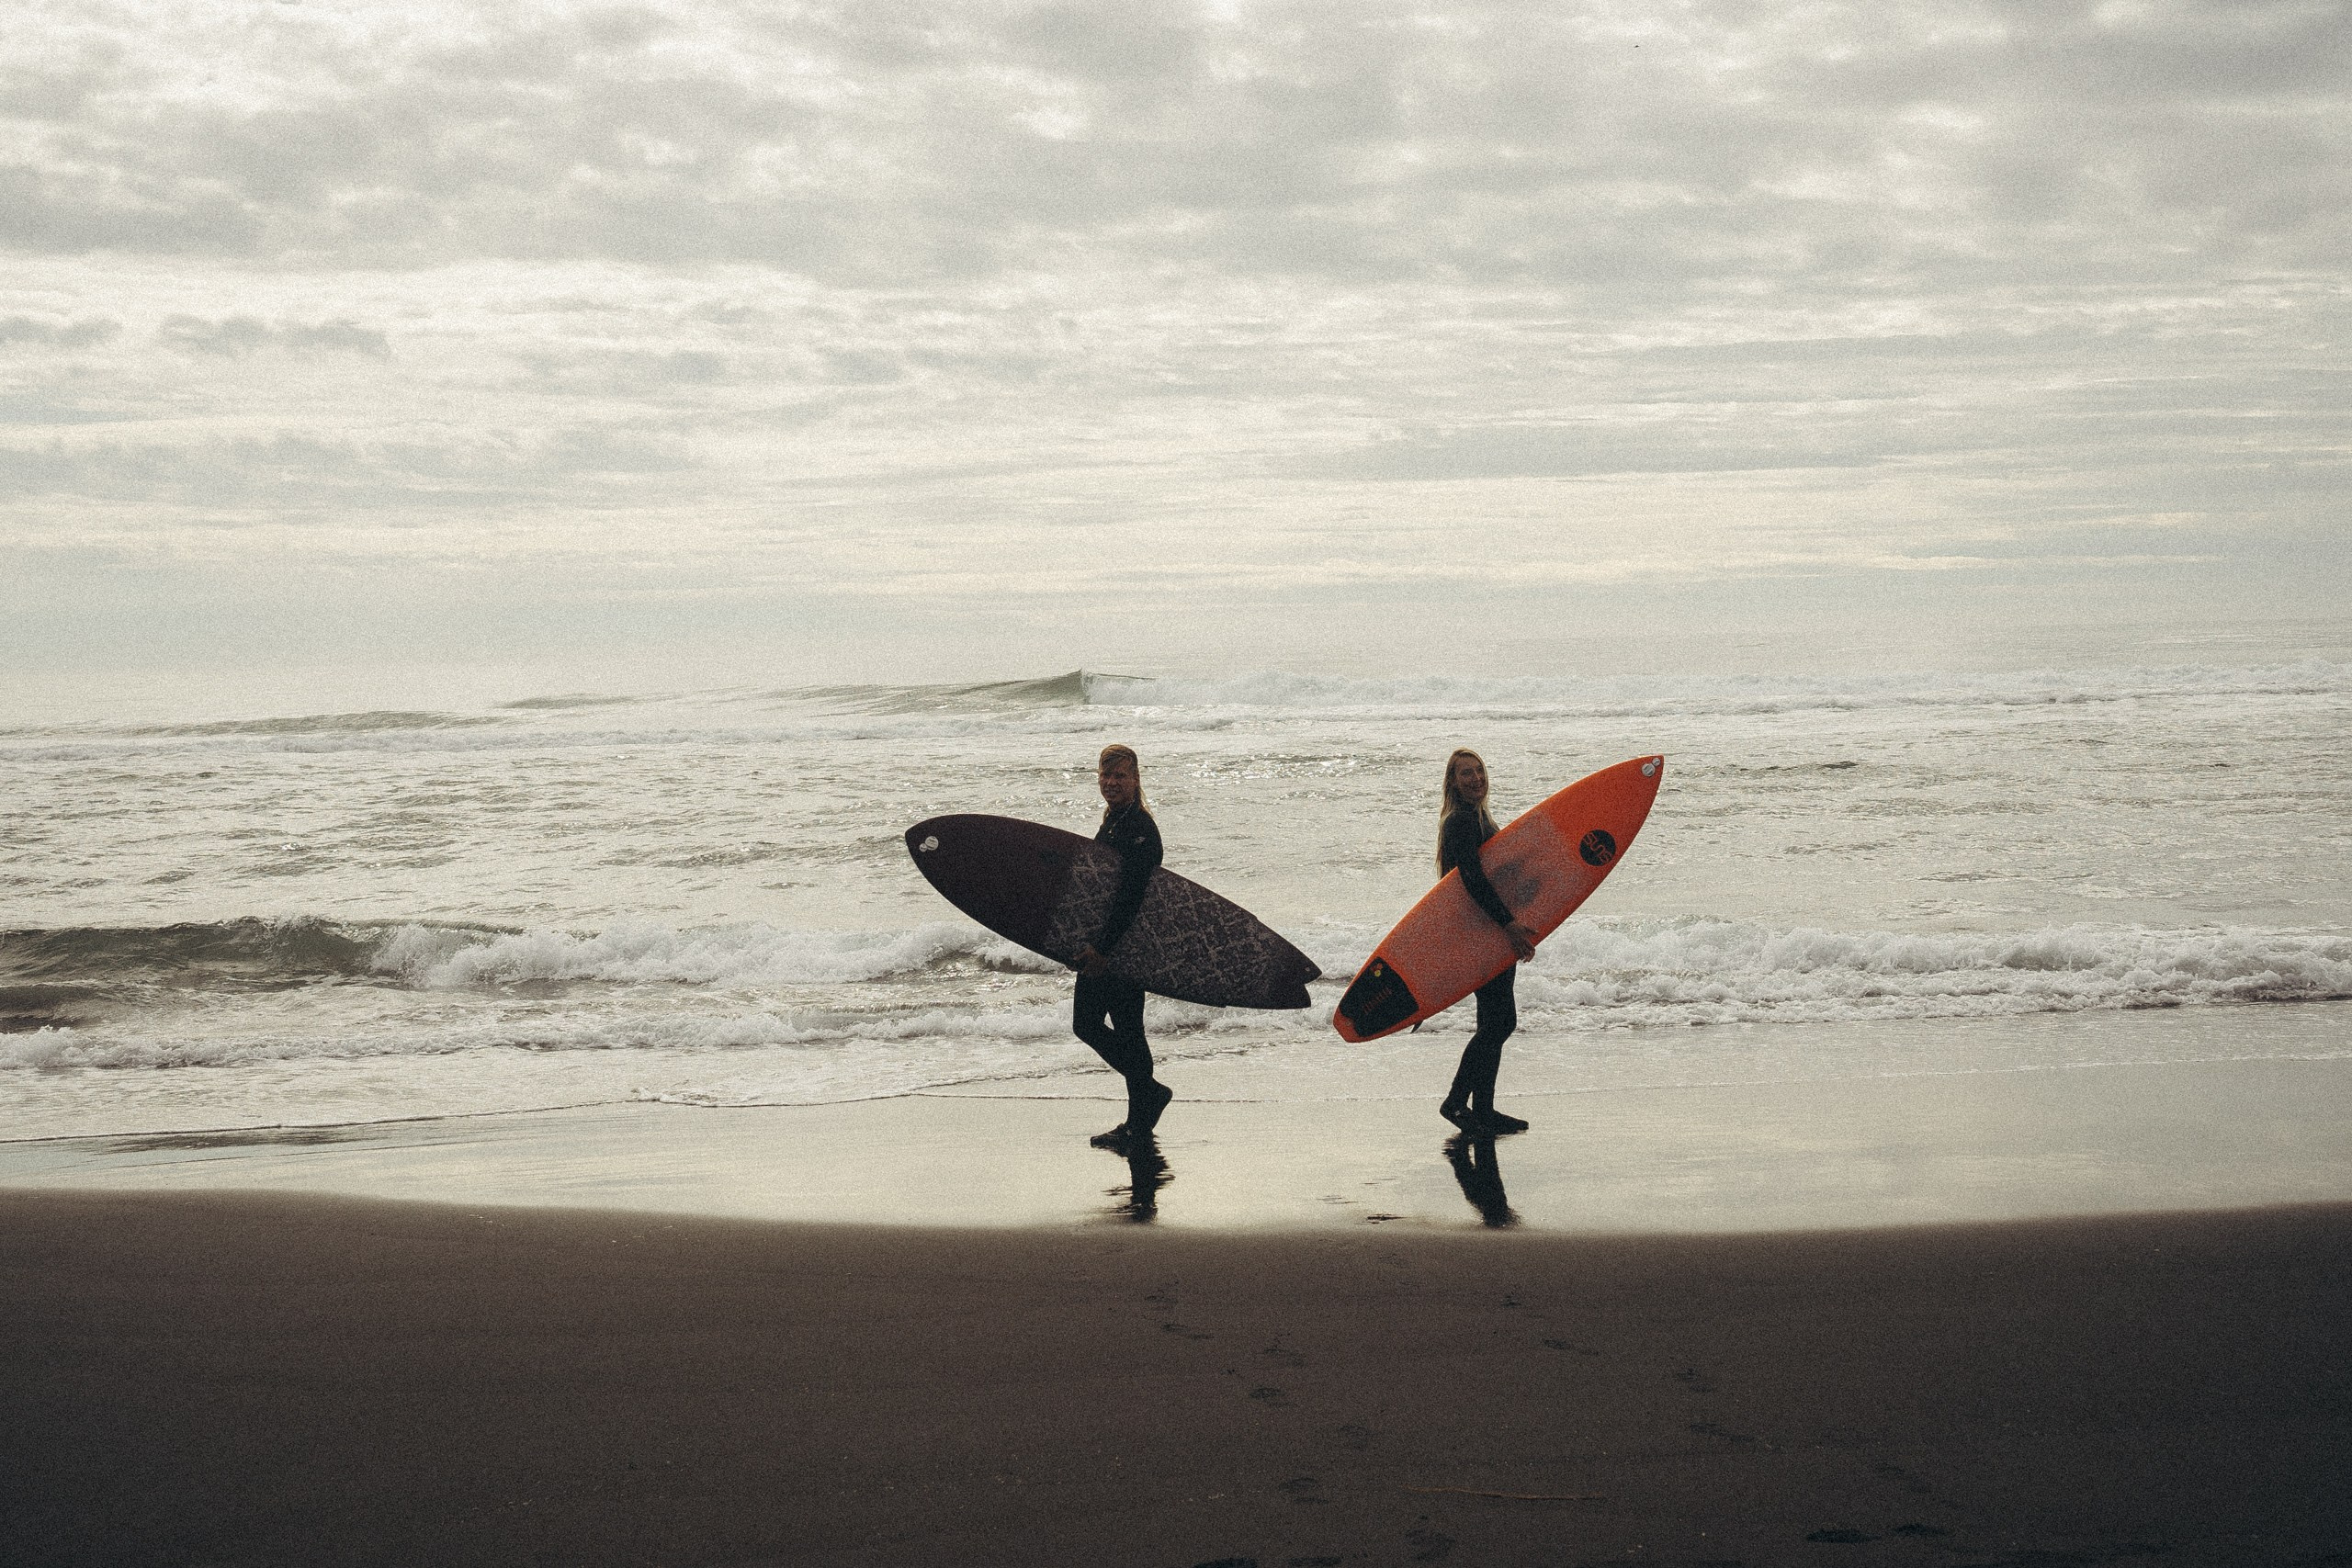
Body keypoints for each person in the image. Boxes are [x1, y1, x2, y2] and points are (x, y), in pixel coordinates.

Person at [1071, 743, 1173, 1148]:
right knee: (1119, 1029)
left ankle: (1144, 1105)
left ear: (1135, 779)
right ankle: (1143, 1108)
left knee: (1105, 1027)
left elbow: (1130, 896)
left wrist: (1103, 950)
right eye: (1105, 774)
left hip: (1123, 949)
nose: (1111, 782)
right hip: (1112, 945)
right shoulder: (1116, 821)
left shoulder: (1139, 829)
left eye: (1120, 775)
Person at [1436, 748, 1538, 1134]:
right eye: (1466, 774)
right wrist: (1509, 924)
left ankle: (1482, 1111)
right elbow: (1474, 881)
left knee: (1494, 1022)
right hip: (1483, 931)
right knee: (1499, 1023)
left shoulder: (1474, 817)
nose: (1476, 778)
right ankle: (1457, 1102)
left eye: (1479, 771)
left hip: (1488, 929)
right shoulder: (1460, 821)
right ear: (1453, 782)